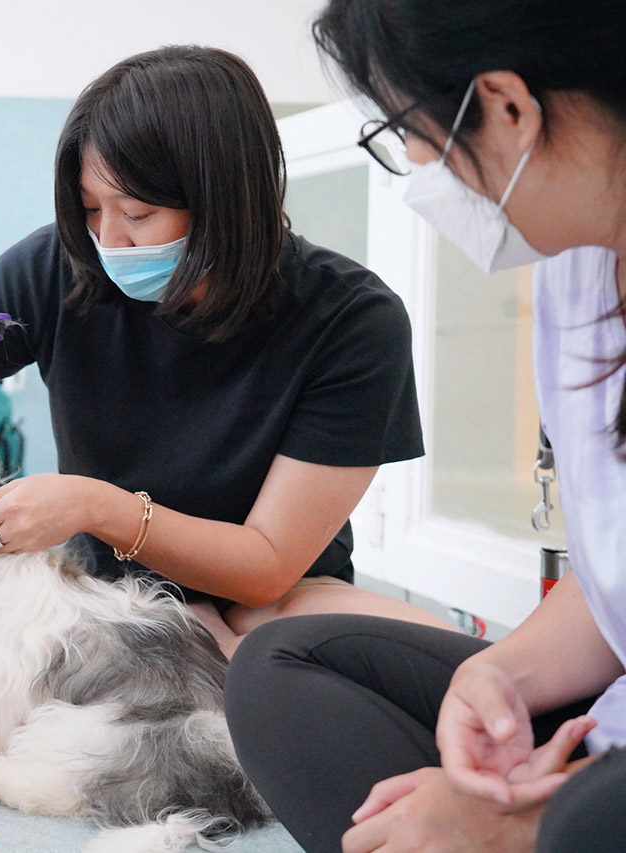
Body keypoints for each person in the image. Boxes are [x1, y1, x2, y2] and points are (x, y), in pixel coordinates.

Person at [0, 44, 450, 725]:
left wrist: (97, 505)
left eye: (137, 213)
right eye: (91, 209)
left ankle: (139, 687)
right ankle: (133, 690)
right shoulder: (55, 267)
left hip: (262, 601)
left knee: (446, 670)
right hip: (82, 600)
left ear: (225, 199)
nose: (109, 238)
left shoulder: (353, 319)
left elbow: (266, 564)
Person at [223, 2, 626, 851]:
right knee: (277, 667)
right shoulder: (574, 273)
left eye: (405, 126)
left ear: (509, 106)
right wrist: (498, 673)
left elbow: (267, 557)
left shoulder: (343, 311)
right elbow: (611, 580)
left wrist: (526, 816)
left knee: (585, 820)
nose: (411, 160)